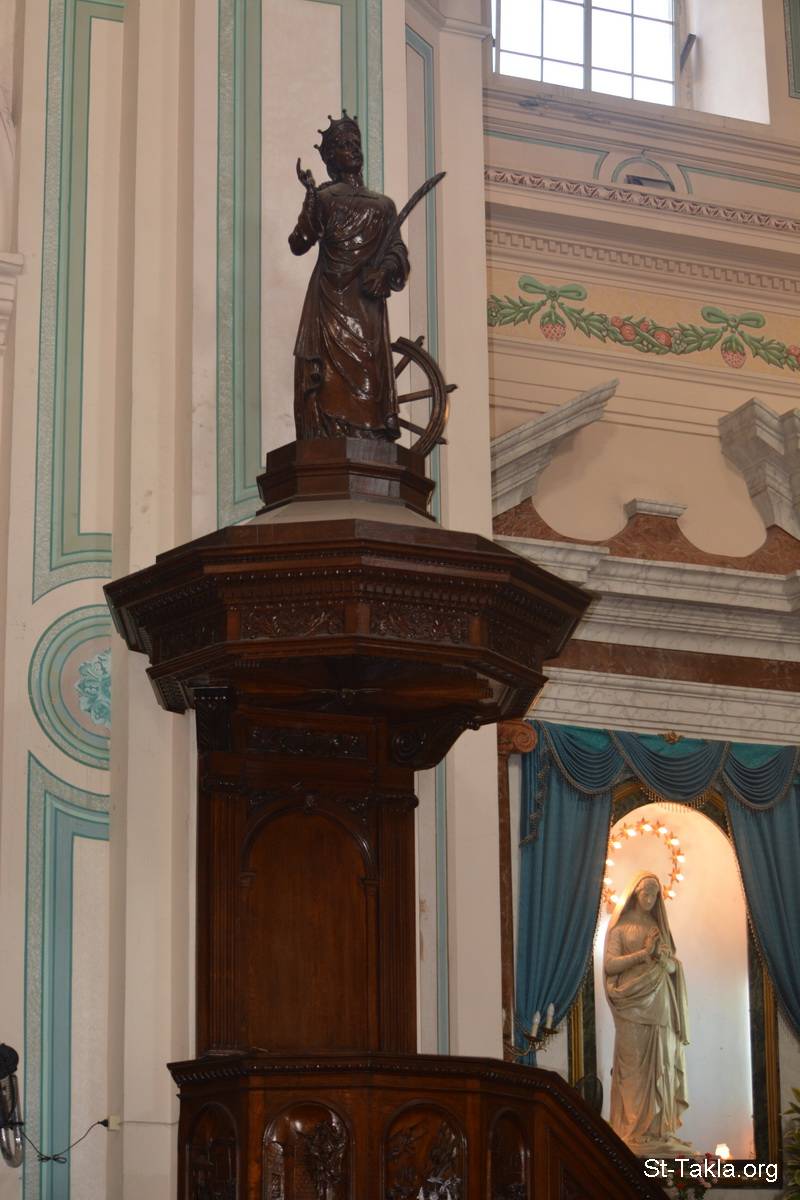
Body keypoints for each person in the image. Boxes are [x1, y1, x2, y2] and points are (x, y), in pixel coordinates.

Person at [289, 113, 410, 440]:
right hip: (329, 301)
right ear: (331, 157)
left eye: (356, 143)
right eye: (344, 145)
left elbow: (397, 251)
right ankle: (329, 434)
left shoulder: (383, 205)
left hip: (365, 305)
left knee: (369, 375)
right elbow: (299, 243)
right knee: (327, 380)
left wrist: (385, 271)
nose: (353, 149)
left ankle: (367, 437)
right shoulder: (324, 199)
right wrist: (310, 197)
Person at [603, 871, 690, 1156]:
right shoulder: (620, 929)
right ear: (635, 894)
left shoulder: (658, 927)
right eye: (646, 893)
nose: (650, 899)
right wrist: (643, 954)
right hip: (631, 1003)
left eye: (655, 894)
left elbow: (673, 966)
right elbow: (610, 965)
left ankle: (658, 1130)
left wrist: (665, 961)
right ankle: (633, 1132)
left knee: (661, 1064)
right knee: (633, 1069)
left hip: (660, 1001)